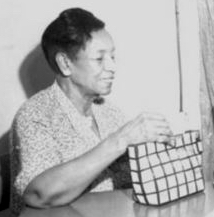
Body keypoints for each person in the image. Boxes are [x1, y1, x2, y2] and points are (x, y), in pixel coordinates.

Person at [10, 7, 172, 216]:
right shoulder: (35, 115)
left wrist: (160, 152)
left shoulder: (109, 112)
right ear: (65, 63)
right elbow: (40, 195)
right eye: (100, 59)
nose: (112, 67)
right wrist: (120, 140)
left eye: (113, 56)